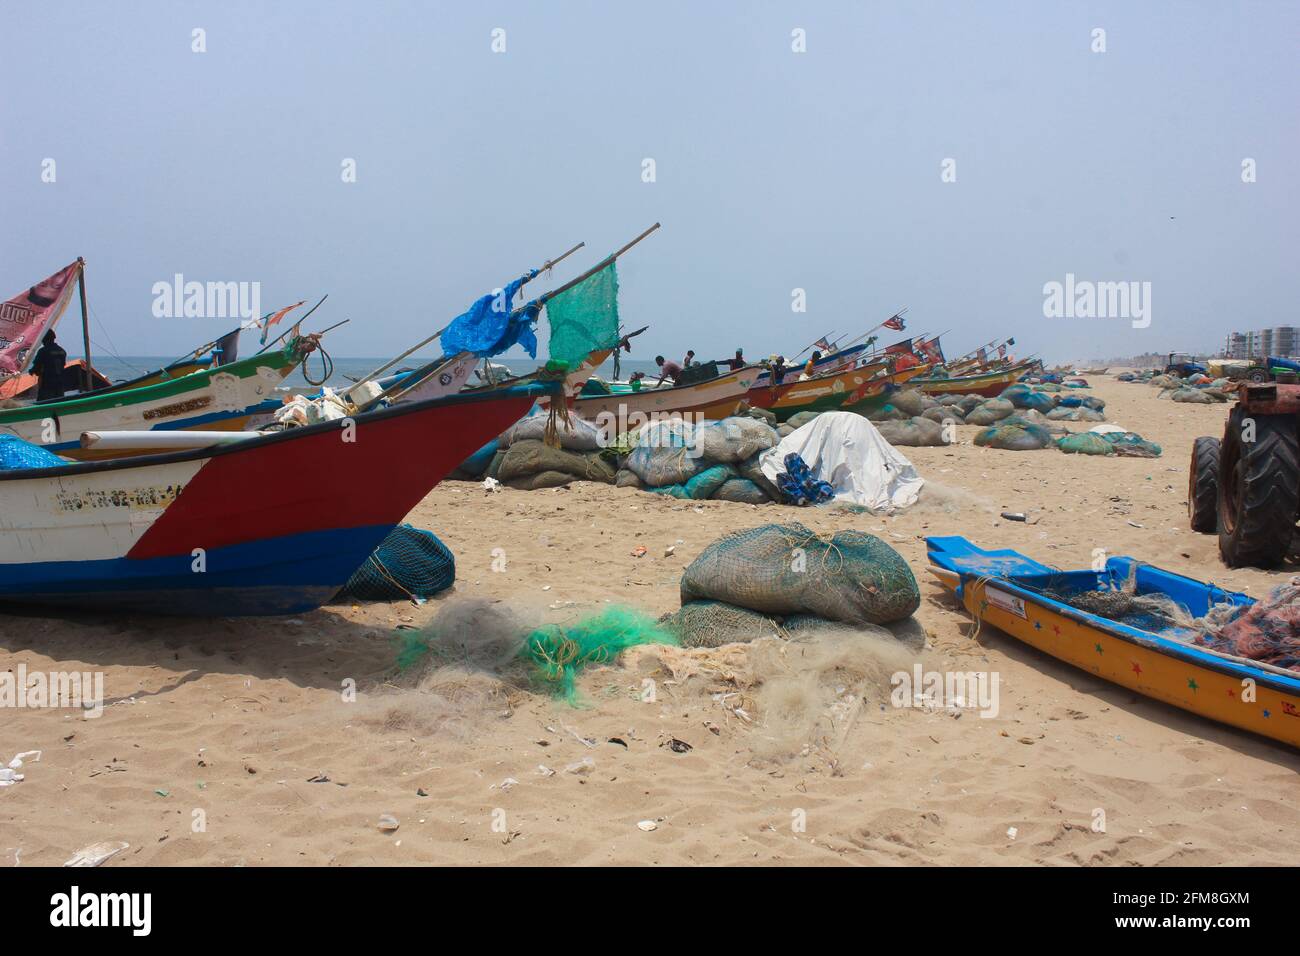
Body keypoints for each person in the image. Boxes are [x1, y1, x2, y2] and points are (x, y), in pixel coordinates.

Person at [31, 329, 67, 401]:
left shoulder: (43, 351)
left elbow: (36, 368)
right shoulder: (62, 351)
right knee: (58, 404)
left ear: (44, 339)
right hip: (60, 384)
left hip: (47, 385)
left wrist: (31, 371)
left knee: (44, 404)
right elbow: (62, 366)